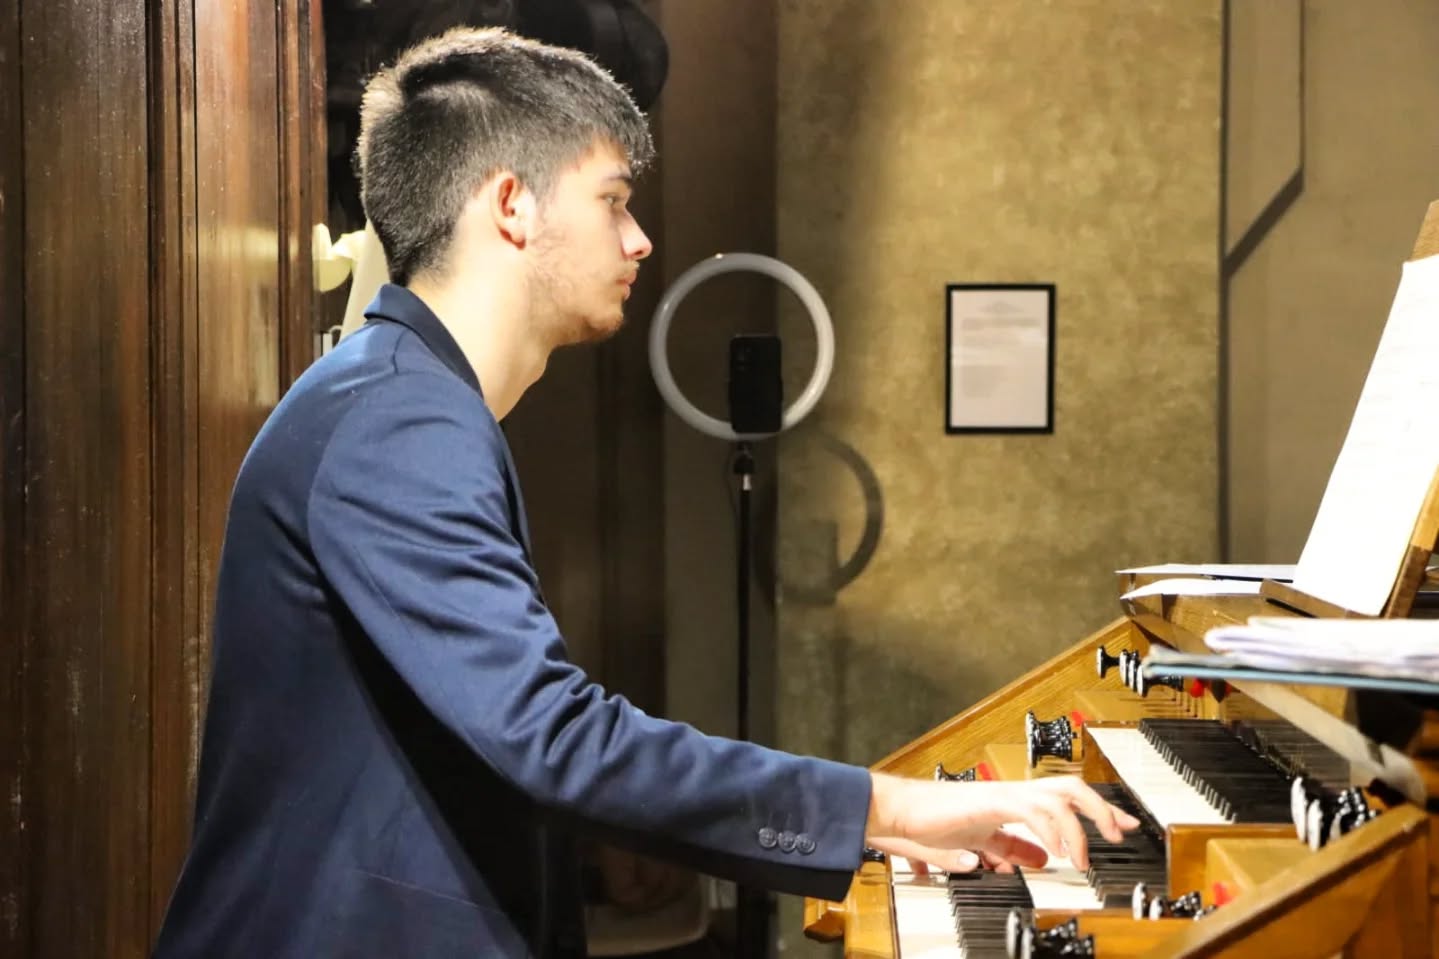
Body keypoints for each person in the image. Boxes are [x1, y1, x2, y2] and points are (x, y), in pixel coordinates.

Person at [151, 26, 1139, 959]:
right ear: (511, 205)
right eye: (613, 200)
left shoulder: (406, 397)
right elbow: (552, 736)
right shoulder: (398, 420)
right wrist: (893, 807)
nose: (639, 241)